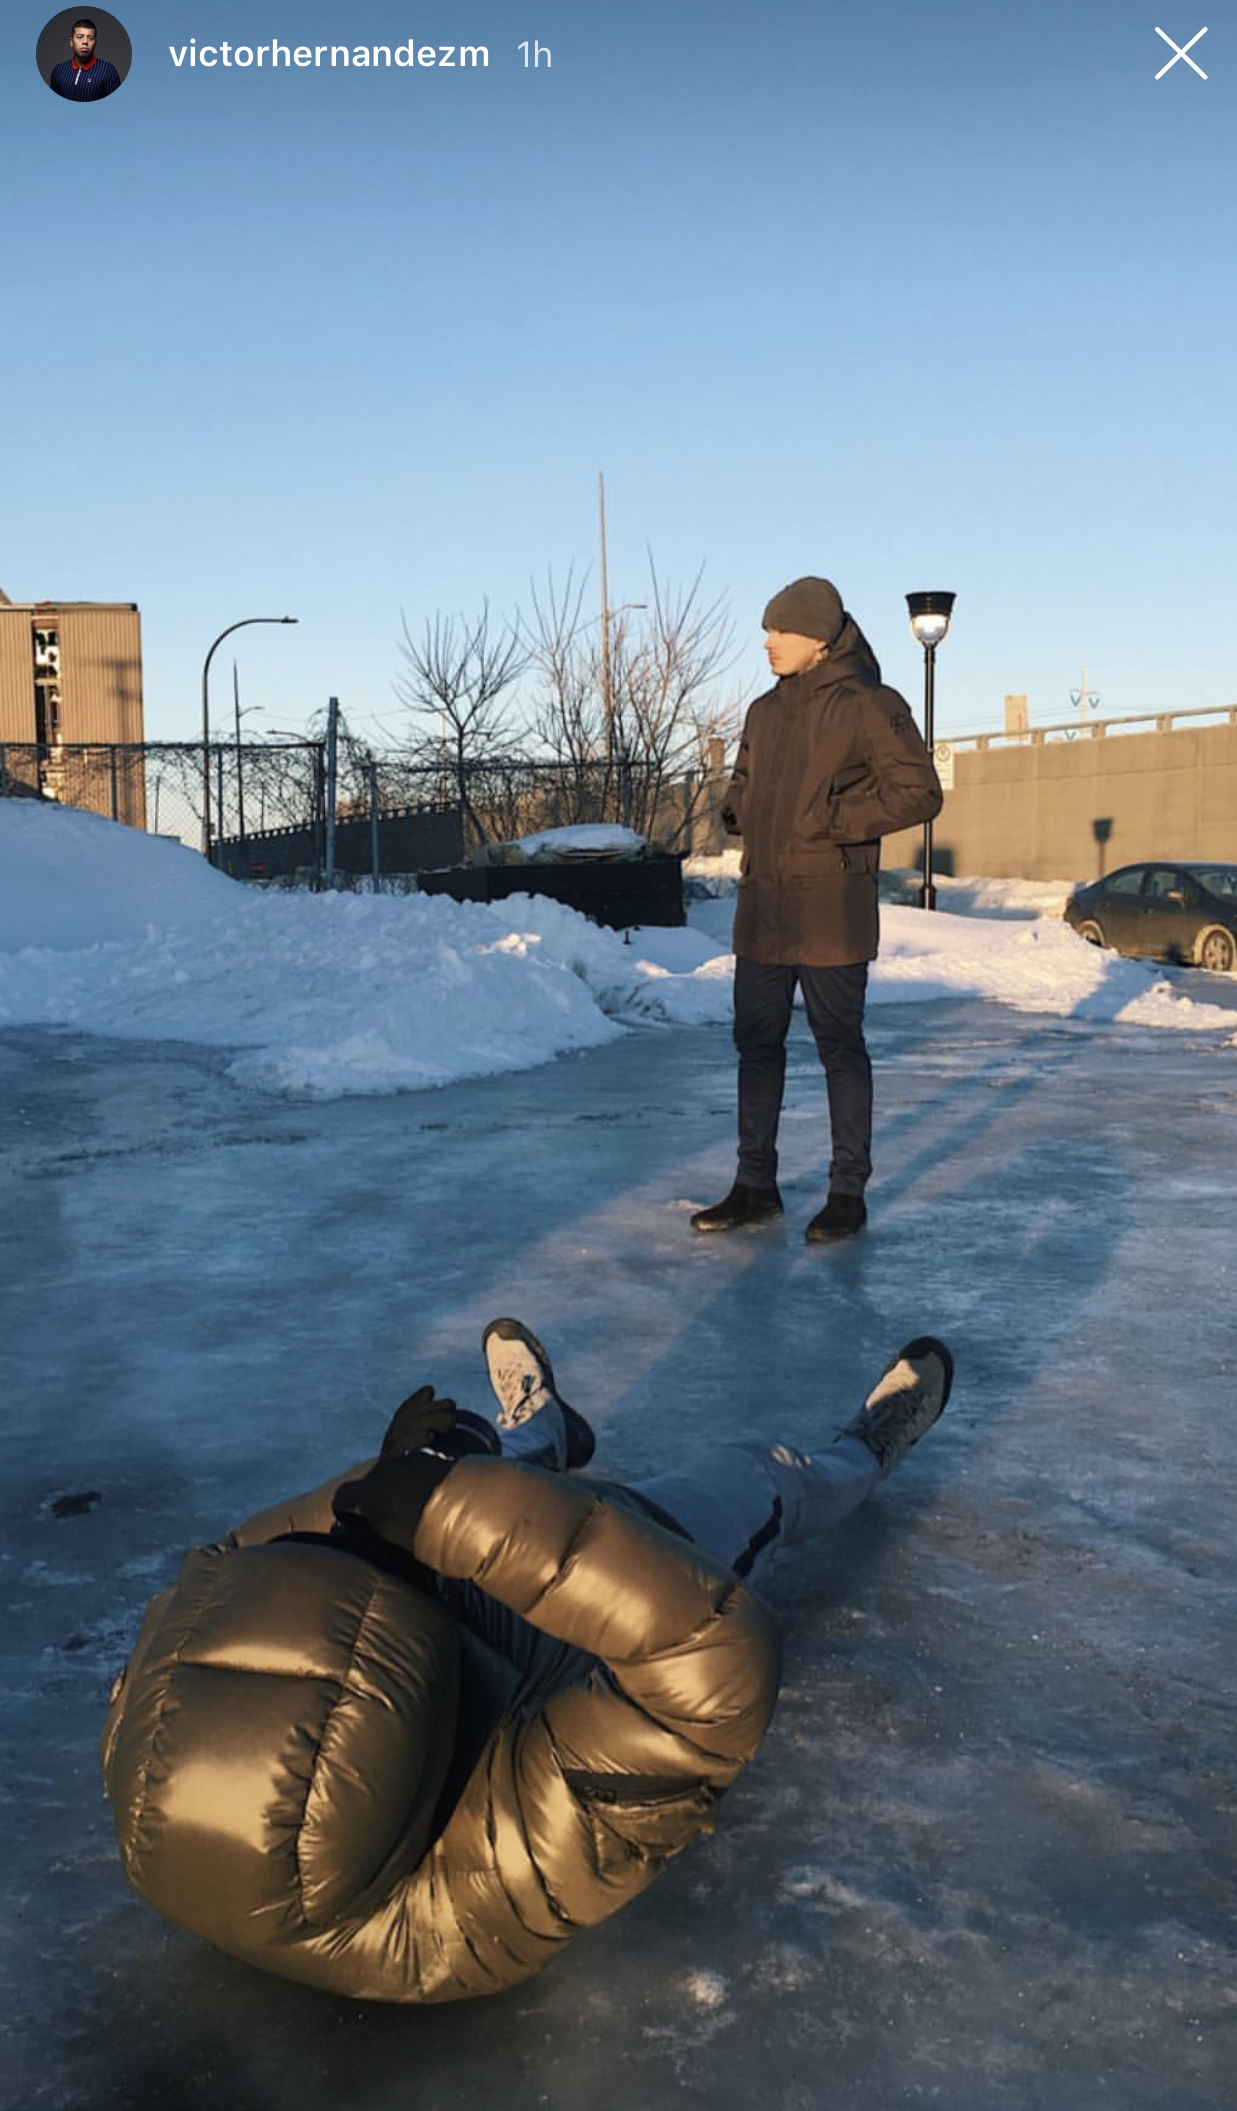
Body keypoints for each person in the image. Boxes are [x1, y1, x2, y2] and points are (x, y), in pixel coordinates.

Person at [101, 1317, 953, 2004]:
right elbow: (714, 1671)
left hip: (478, 1557)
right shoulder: (470, 1906)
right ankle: (866, 1451)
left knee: (486, 1460)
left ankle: (539, 1426)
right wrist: (447, 1506)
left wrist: (368, 1504)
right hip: (639, 1570)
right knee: (761, 1473)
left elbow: (221, 1571)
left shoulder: (163, 1774)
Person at [692, 577, 943, 1243]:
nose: (768, 642)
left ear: (820, 640)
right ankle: (754, 1186)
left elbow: (918, 791)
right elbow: (742, 782)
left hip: (831, 907)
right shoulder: (763, 712)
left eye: (782, 631)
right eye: (767, 630)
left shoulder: (870, 703)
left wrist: (835, 818)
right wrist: (737, 807)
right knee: (755, 1045)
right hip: (764, 908)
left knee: (839, 1047)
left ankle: (845, 1190)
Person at [49, 19, 122, 100]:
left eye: (90, 38)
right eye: (80, 37)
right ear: (71, 42)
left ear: (95, 44)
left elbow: (115, 107)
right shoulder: (58, 70)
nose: (85, 42)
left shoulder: (107, 71)